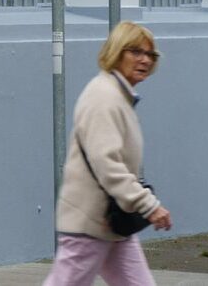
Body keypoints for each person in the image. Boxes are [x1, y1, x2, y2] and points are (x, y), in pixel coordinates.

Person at [43, 21, 171, 286]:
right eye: (136, 52)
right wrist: (148, 204)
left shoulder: (118, 96)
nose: (145, 60)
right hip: (89, 224)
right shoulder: (104, 97)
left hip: (113, 224)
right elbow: (107, 164)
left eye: (150, 54)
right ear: (117, 51)